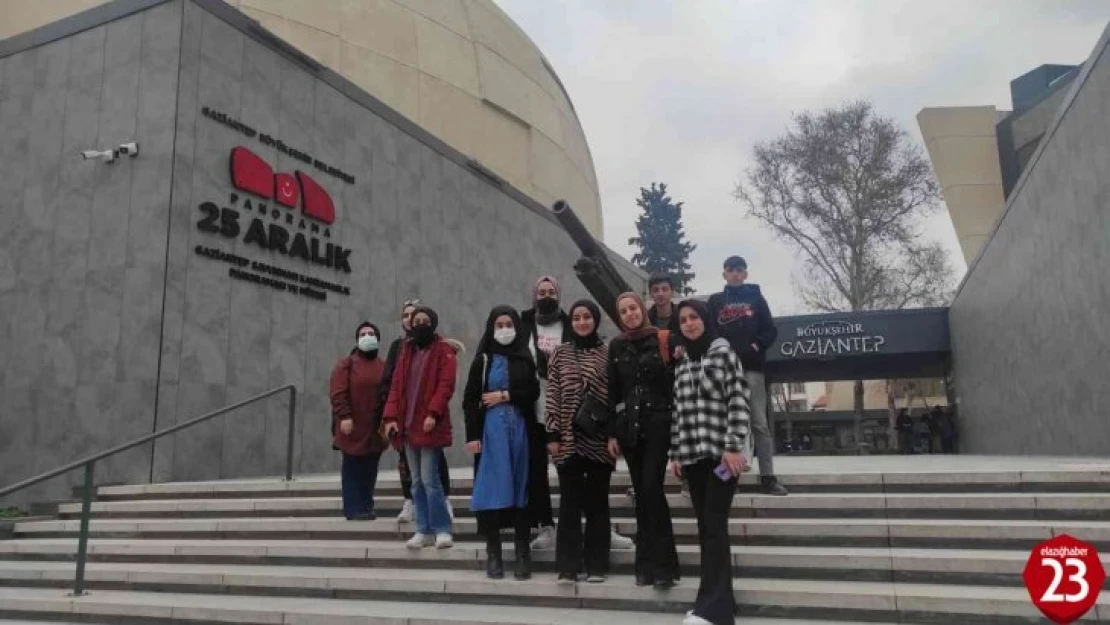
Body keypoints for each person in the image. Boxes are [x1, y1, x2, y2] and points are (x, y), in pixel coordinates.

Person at [521, 275, 634, 552]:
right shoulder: (525, 326)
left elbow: (611, 390)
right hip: (543, 408)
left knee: (595, 490)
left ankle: (601, 535)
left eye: (551, 291)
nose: (546, 295)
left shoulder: (594, 346)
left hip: (590, 423)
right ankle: (547, 528)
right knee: (554, 483)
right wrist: (553, 430)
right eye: (541, 291)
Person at [669, 300, 751, 625]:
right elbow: (678, 414)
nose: (689, 324)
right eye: (684, 320)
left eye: (694, 318)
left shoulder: (724, 354)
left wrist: (733, 446)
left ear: (705, 320)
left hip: (722, 458)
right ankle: (718, 602)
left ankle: (713, 611)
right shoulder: (682, 364)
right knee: (707, 529)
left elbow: (739, 400)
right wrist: (675, 454)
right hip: (693, 458)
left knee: (714, 525)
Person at [607, 291, 680, 590]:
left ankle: (664, 566)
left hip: (659, 426)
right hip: (630, 431)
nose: (630, 314)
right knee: (641, 493)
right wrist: (612, 432)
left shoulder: (663, 338)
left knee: (651, 489)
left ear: (642, 309)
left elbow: (674, 386)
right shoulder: (616, 345)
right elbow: (614, 392)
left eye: (633, 308)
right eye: (623, 311)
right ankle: (645, 564)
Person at [463, 305, 541, 580]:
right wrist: (472, 436)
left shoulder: (524, 358)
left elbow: (532, 390)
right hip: (491, 433)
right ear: (491, 328)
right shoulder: (482, 360)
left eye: (509, 324)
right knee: (491, 490)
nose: (505, 329)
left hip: (520, 431)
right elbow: (470, 400)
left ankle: (522, 551)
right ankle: (493, 551)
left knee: (521, 489)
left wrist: (505, 395)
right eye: (499, 324)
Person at [707, 256, 788, 496]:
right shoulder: (715, 301)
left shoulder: (756, 297)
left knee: (759, 424)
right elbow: (710, 330)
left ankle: (768, 477)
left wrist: (755, 346)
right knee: (725, 425)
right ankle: (727, 478)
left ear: (745, 273)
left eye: (739, 270)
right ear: (724, 274)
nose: (735, 274)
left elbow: (770, 330)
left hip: (752, 369)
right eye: (730, 270)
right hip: (724, 371)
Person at [545, 300, 613, 584]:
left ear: (596, 320)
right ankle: (568, 566)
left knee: (597, 503)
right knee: (570, 503)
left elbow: (613, 397)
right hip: (568, 440)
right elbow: (553, 393)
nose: (582, 322)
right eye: (577, 318)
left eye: (587, 317)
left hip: (598, 440)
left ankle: (597, 564)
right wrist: (552, 434)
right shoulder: (560, 353)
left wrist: (612, 435)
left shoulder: (608, 354)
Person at [382, 306, 458, 550]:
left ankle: (442, 529)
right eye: (417, 320)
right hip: (406, 425)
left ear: (433, 324)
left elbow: (446, 385)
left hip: (428, 425)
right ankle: (423, 529)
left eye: (426, 321)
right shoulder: (405, 352)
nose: (421, 324)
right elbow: (395, 387)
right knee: (415, 481)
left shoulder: (444, 350)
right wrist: (390, 416)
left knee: (430, 479)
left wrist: (433, 413)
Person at [329, 321, 388, 521]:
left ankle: (366, 505)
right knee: (353, 468)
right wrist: (344, 416)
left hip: (375, 429)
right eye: (363, 334)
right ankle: (353, 508)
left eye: (371, 333)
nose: (367, 336)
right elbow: (338, 393)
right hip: (352, 427)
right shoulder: (346, 364)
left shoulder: (383, 365)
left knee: (370, 469)